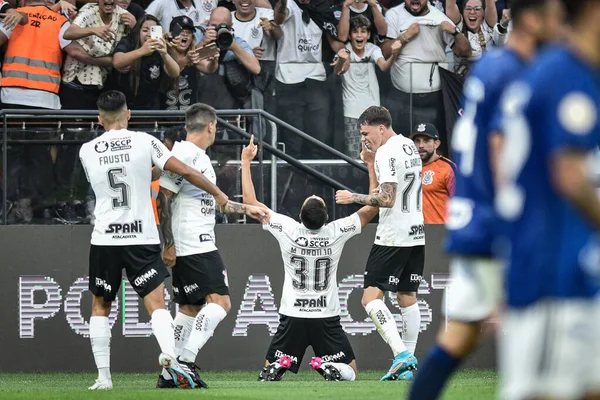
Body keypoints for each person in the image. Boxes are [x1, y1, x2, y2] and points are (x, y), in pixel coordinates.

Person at [407, 0, 565, 396]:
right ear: (532, 20)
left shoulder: (491, 67)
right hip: (503, 224)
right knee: (553, 344)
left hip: (474, 220)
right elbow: (500, 144)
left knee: (460, 335)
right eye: (553, 17)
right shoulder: (516, 72)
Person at [78, 90, 260, 390]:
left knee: (101, 305)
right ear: (129, 114)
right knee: (160, 305)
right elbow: (178, 176)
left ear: (99, 119)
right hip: (145, 235)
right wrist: (218, 195)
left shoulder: (87, 150)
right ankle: (176, 360)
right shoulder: (146, 141)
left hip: (105, 235)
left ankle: (105, 378)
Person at [494, 0, 600, 398]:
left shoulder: (556, 70)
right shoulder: (566, 74)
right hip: (548, 268)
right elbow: (570, 177)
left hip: (566, 260)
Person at [240, 135, 379, 381]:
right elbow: (371, 208)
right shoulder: (335, 232)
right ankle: (330, 367)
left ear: (299, 216)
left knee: (269, 365)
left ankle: (277, 366)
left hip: (292, 315)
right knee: (352, 372)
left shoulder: (287, 228)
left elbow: (251, 204)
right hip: (326, 317)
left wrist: (246, 161)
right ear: (327, 219)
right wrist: (370, 164)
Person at [155, 104, 269, 389]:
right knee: (221, 303)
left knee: (190, 309)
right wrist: (168, 244)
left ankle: (170, 373)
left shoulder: (194, 156)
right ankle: (188, 363)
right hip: (194, 244)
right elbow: (163, 197)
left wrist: (248, 210)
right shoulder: (186, 155)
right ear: (211, 127)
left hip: (191, 243)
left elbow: (217, 203)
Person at [335, 105, 424, 381]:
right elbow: (383, 190)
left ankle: (401, 355)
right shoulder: (408, 145)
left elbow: (385, 199)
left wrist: (353, 198)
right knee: (407, 297)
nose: (364, 138)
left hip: (392, 236)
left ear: (381, 128)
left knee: (369, 298)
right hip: (416, 233)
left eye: (366, 132)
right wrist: (371, 165)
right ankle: (408, 365)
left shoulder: (387, 151)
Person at [341, 15, 402, 159]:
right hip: (351, 111)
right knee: (353, 155)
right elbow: (338, 70)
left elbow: (384, 67)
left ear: (368, 35)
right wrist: (342, 60)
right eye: (355, 31)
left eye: (363, 31)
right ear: (350, 35)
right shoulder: (345, 50)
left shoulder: (373, 49)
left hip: (372, 113)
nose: (359, 35)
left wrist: (393, 55)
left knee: (376, 154)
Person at [111, 14, 180, 110]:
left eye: (152, 31)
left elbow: (175, 73)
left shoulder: (161, 46)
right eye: (145, 30)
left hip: (151, 104)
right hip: (124, 104)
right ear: (138, 32)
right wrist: (142, 51)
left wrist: (164, 54)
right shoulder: (129, 42)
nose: (148, 34)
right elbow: (117, 61)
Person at [161, 15, 219, 110]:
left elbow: (209, 69)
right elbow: (170, 72)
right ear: (171, 35)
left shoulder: (193, 55)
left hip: (189, 118)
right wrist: (186, 60)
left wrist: (214, 61)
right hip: (164, 118)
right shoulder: (163, 54)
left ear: (192, 38)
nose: (185, 35)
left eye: (188, 32)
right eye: (181, 31)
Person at [445, 0, 508, 76]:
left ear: (483, 13)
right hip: (460, 83)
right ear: (462, 12)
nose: (472, 12)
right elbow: (450, 5)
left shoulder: (487, 28)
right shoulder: (458, 27)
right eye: (468, 8)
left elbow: (490, 4)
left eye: (477, 9)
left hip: (485, 81)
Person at [411, 122, 455, 225]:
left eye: (426, 141)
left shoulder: (447, 168)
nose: (421, 146)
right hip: (414, 235)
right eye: (417, 141)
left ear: (436, 144)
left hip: (440, 233)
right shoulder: (408, 169)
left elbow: (462, 203)